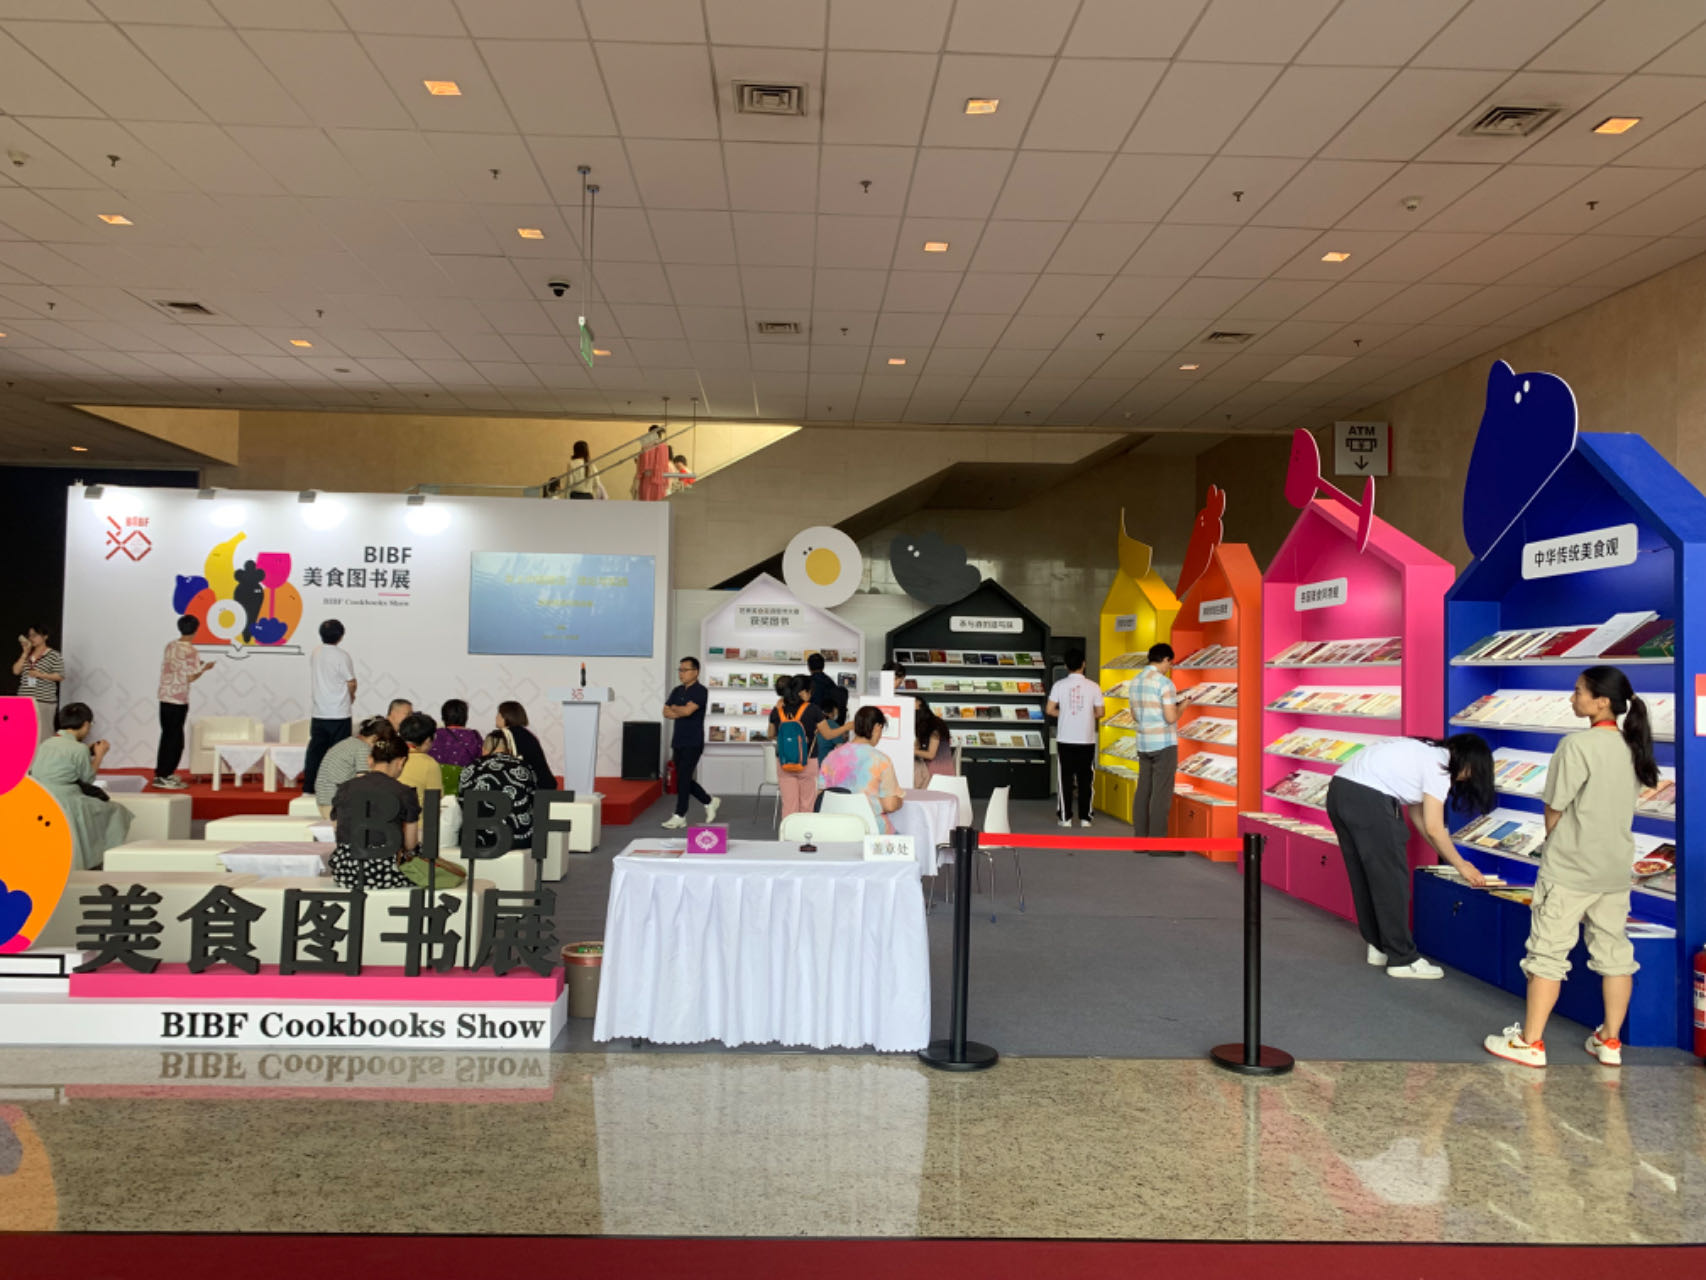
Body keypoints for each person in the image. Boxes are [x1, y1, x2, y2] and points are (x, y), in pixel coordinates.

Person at [1484, 668, 1657, 1068]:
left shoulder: (1576, 745)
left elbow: (1555, 806)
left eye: (1578, 691)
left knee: (1546, 953)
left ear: (1602, 701)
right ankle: (1610, 1041)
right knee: (1615, 954)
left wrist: (1555, 844)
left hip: (1570, 867)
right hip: (1615, 868)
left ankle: (1530, 1042)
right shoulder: (1633, 747)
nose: (1571, 698)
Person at [1326, 733, 1495, 980]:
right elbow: (1435, 828)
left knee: (1364, 876)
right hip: (1369, 800)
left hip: (1339, 790)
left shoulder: (1422, 752)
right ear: (1470, 764)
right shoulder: (1440, 767)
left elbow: (1421, 820)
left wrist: (1445, 854)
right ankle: (1403, 959)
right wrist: (1462, 865)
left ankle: (1379, 945)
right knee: (1392, 883)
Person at [27, 702, 131, 870]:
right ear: (86, 724)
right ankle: (98, 859)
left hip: (41, 796)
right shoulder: (79, 749)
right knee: (115, 811)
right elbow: (87, 778)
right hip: (67, 800)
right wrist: (99, 756)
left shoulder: (45, 743)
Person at [328, 735, 419, 890]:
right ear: (401, 762)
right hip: (386, 873)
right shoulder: (405, 792)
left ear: (370, 760)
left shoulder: (345, 788)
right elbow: (410, 844)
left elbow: (338, 829)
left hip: (347, 872)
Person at [819, 705, 904, 834]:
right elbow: (890, 805)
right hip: (870, 830)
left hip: (835, 829)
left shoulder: (831, 757)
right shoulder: (881, 760)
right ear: (877, 727)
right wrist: (899, 800)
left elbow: (821, 796)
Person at [153, 614, 215, 790]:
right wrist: (204, 668)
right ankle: (165, 775)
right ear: (196, 630)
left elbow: (176, 666)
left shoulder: (170, 646)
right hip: (178, 699)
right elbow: (191, 677)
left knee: (167, 736)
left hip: (165, 696)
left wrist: (195, 665)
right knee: (175, 740)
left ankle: (162, 773)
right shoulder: (191, 651)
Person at [1047, 646, 1103, 829]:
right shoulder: (1094, 686)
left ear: (1066, 665)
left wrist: (1064, 714)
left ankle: (1065, 817)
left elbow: (1049, 709)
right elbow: (1100, 712)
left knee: (1065, 779)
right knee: (1086, 779)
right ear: (1083, 664)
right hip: (1086, 739)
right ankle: (1086, 817)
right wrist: (1086, 715)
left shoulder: (1059, 685)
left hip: (1065, 739)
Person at [1130, 643, 1179, 847]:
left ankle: (1140, 840)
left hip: (1143, 742)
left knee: (1143, 790)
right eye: (1170, 663)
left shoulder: (1135, 681)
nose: (1169, 667)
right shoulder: (1165, 683)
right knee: (1161, 793)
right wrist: (1183, 706)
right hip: (1163, 743)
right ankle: (1157, 843)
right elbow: (1170, 717)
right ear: (1165, 659)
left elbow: (1134, 715)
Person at [661, 656, 718, 829]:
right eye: (680, 670)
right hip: (678, 740)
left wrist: (677, 709)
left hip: (693, 741)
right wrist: (681, 709)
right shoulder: (677, 690)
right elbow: (665, 712)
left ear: (696, 672)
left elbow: (687, 712)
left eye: (685, 670)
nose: (681, 673)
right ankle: (709, 801)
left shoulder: (701, 691)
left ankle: (680, 815)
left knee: (684, 778)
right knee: (683, 778)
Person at [459, 728, 536, 851]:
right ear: (509, 749)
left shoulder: (471, 768)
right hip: (519, 838)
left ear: (484, 749)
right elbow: (534, 801)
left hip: (478, 838)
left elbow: (463, 802)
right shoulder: (524, 767)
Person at [303, 619, 356, 791]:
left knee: (315, 752)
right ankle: (339, 788)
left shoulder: (316, 652)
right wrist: (352, 696)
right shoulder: (342, 656)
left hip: (319, 711)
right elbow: (351, 681)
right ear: (341, 636)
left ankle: (309, 787)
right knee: (341, 754)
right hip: (339, 712)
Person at [769, 676, 825, 820]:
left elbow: (770, 734)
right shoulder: (813, 709)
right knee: (807, 804)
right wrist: (847, 727)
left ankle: (788, 833)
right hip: (808, 761)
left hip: (784, 762)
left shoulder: (777, 710)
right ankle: (805, 832)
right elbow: (828, 734)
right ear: (802, 692)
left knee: (789, 805)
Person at [314, 716, 393, 818]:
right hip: (337, 803)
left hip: (324, 799)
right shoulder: (363, 749)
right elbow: (363, 782)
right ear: (375, 738)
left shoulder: (349, 742)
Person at [13, 626, 63, 743]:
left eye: (35, 635)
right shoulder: (27, 655)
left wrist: (40, 675)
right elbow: (16, 671)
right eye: (29, 635)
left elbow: (60, 676)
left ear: (45, 636)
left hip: (43, 700)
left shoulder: (53, 655)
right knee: (23, 734)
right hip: (24, 700)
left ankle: (43, 754)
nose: (31, 638)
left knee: (43, 733)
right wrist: (25, 653)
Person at [496, 701, 555, 792]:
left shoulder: (505, 735)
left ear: (506, 717)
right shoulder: (527, 734)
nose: (496, 717)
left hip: (531, 789)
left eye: (499, 714)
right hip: (544, 786)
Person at [395, 711, 443, 807]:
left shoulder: (387, 755)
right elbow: (435, 802)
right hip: (417, 816)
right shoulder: (429, 764)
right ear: (427, 741)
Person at [430, 699, 484, 768]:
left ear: (443, 717)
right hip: (464, 774)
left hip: (436, 774)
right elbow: (481, 760)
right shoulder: (474, 736)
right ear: (465, 717)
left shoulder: (432, 735)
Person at [912, 707, 954, 790]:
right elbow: (917, 746)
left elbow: (930, 755)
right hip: (939, 768)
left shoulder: (934, 732)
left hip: (938, 770)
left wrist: (912, 751)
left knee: (916, 772)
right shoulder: (928, 730)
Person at [632, 425, 671, 501]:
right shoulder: (665, 447)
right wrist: (666, 481)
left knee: (647, 502)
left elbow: (642, 465)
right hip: (660, 480)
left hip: (648, 479)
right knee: (658, 502)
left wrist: (638, 477)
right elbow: (665, 466)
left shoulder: (646, 447)